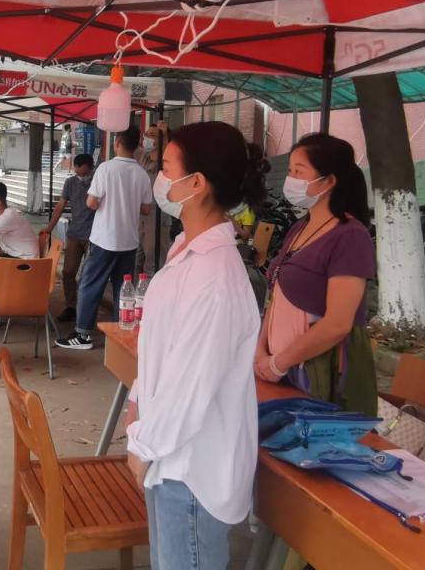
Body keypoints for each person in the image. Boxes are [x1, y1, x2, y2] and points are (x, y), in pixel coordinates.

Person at [125, 121, 267, 570]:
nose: (159, 177)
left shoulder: (213, 277)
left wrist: (143, 445)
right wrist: (137, 405)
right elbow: (164, 353)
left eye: (167, 167)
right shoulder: (187, 250)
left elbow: (190, 384)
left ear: (196, 184)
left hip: (190, 469)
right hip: (170, 456)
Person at [254, 133, 377, 415]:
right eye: (290, 171)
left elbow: (337, 323)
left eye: (299, 172)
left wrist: (280, 362)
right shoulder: (300, 228)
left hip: (317, 371)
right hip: (279, 365)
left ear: (329, 181)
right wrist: (262, 349)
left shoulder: (350, 236)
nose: (291, 179)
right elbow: (276, 295)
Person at [56, 126, 153, 350]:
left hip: (105, 240)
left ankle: (83, 335)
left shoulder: (106, 168)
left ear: (116, 142)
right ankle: (122, 333)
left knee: (90, 285)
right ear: (137, 145)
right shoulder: (141, 173)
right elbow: (146, 209)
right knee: (123, 288)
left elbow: (91, 203)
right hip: (129, 242)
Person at [43, 154, 95, 321]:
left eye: (83, 173)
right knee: (68, 271)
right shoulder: (70, 182)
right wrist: (49, 228)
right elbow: (60, 206)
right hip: (74, 234)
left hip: (94, 236)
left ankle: (87, 308)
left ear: (90, 168)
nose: (80, 176)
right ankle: (71, 306)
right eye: (77, 172)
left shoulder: (98, 181)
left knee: (88, 274)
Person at [134, 123, 164, 276]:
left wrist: (166, 135)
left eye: (152, 135)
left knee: (153, 261)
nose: (147, 138)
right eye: (146, 134)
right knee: (135, 260)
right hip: (139, 215)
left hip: (156, 216)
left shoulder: (165, 161)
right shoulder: (141, 156)